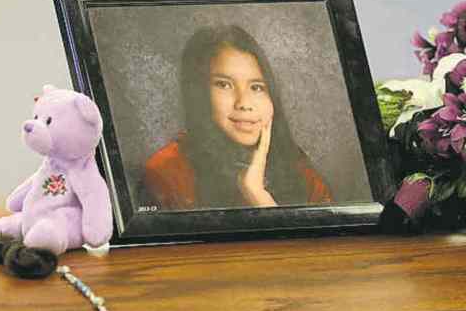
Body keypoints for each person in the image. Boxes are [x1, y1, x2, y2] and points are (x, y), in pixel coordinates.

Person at [141, 25, 332, 210]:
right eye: (224, 85)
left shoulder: (297, 169)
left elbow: (331, 243)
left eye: (257, 87)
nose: (243, 103)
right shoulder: (166, 172)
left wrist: (258, 197)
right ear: (199, 93)